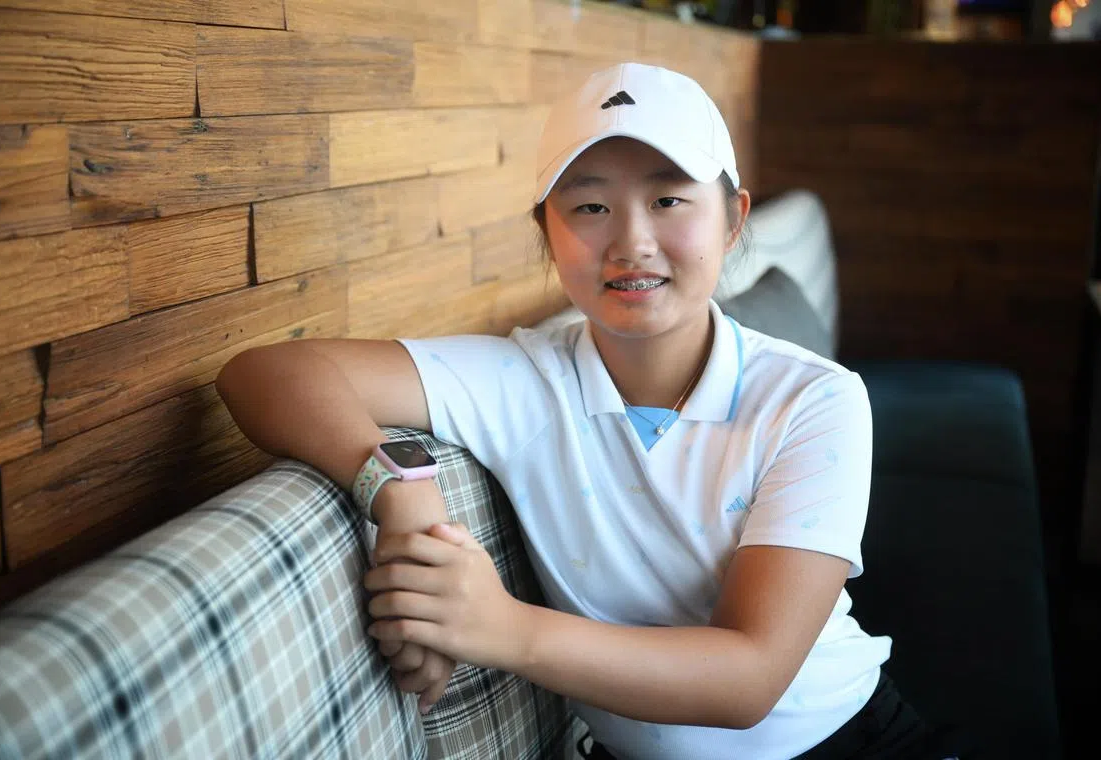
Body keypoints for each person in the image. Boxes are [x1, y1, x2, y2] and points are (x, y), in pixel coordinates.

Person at [216, 62, 970, 760]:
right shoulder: (520, 380)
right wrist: (402, 491)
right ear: (546, 230)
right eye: (590, 205)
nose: (632, 242)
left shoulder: (813, 399)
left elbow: (750, 677)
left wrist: (501, 627)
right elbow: (267, 372)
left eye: (669, 199)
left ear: (733, 219)